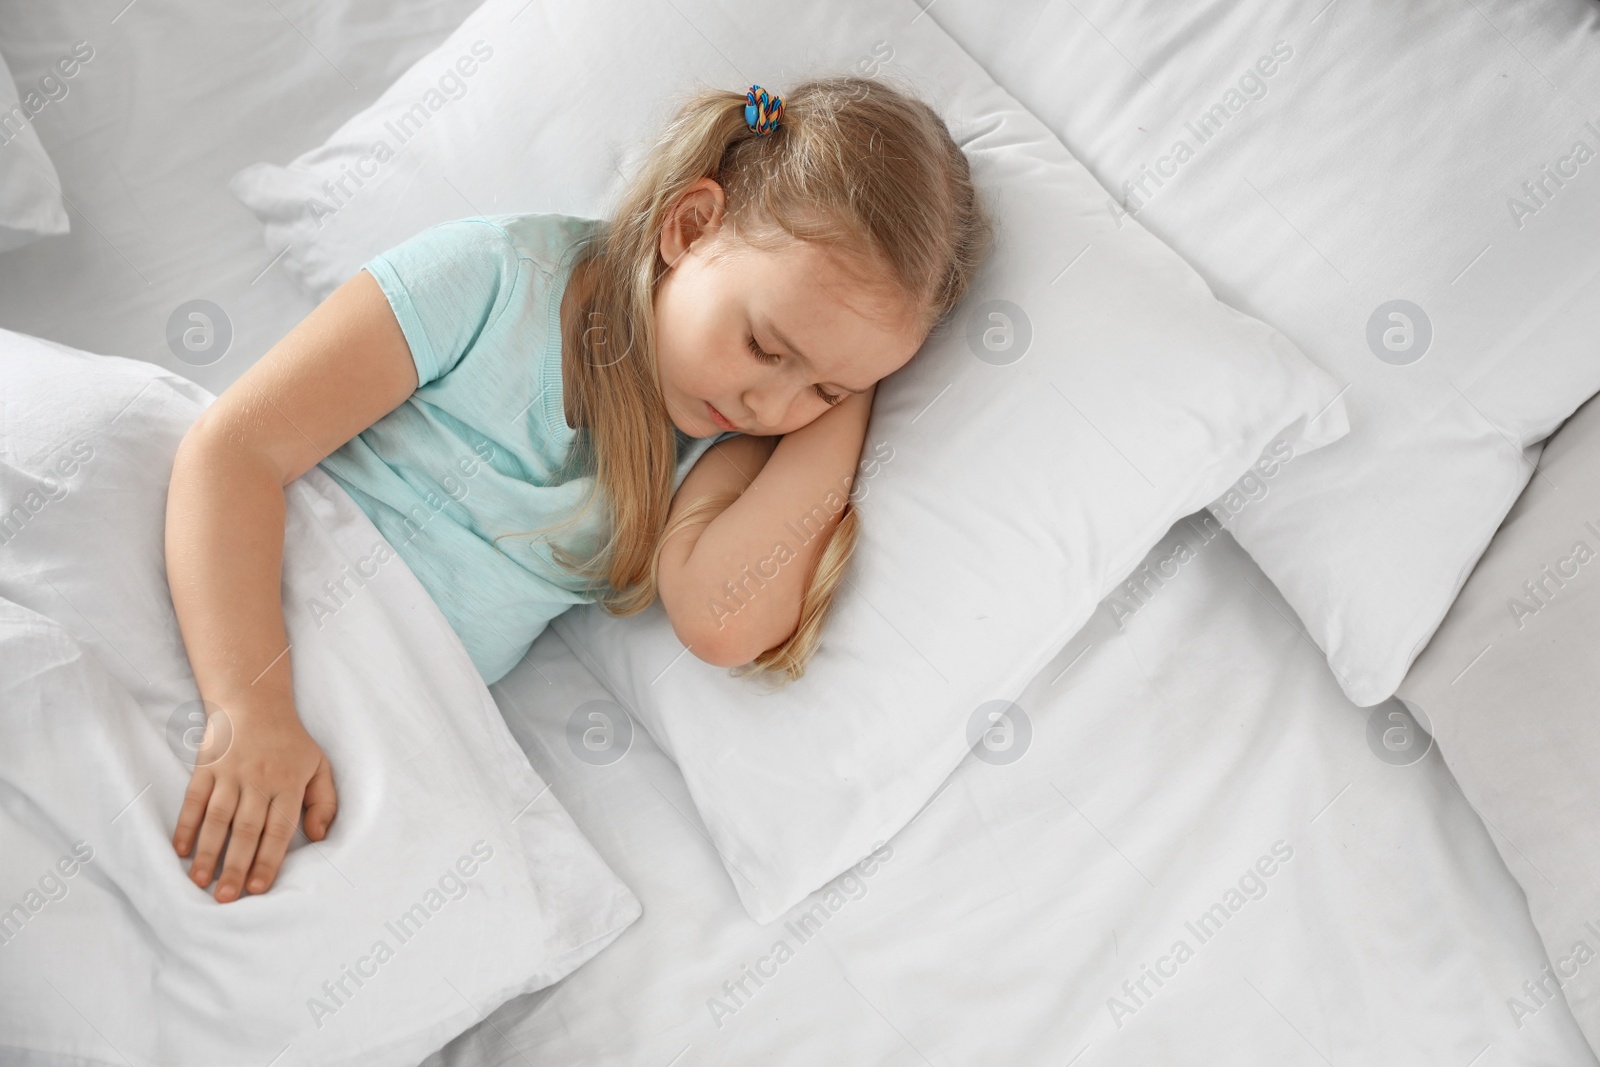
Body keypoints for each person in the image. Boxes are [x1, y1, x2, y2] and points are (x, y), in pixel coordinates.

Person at [162, 78, 993, 903]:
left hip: (368, 703)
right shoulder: (495, 278)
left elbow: (725, 615)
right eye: (765, 347)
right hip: (232, 606)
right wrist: (250, 707)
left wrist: (847, 384)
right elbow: (235, 451)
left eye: (822, 393)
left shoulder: (718, 443)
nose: (769, 405)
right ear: (692, 226)